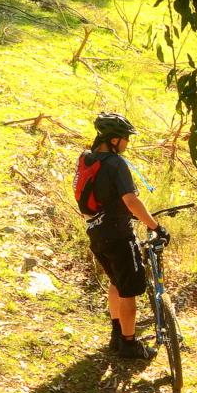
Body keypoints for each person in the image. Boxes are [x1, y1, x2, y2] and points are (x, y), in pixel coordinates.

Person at [74, 112, 165, 360]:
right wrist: (156, 227)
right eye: (125, 138)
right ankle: (128, 343)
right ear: (114, 140)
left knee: (116, 281)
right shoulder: (116, 164)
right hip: (118, 235)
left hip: (96, 232)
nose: (127, 143)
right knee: (129, 291)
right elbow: (131, 200)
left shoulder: (88, 158)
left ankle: (116, 334)